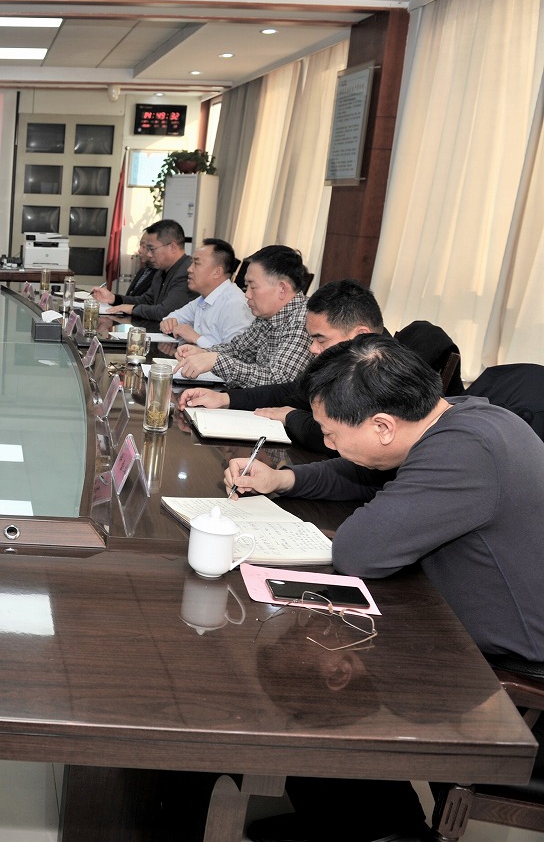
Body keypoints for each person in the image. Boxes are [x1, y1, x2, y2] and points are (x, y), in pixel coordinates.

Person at [225, 335, 544, 842]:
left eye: (332, 433)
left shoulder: (464, 453)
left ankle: (382, 831)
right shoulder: (457, 417)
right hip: (455, 619)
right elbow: (362, 472)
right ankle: (351, 820)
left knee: (316, 675)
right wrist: (284, 481)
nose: (329, 444)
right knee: (319, 648)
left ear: (382, 427)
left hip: (512, 666)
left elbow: (360, 552)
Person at [179, 279, 384, 453]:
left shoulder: (384, 375)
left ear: (361, 335)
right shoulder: (342, 359)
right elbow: (293, 391)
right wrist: (225, 399)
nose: (313, 348)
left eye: (321, 339)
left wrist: (290, 416)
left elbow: (337, 435)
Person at [175, 244, 312, 385]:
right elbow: (239, 350)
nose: (247, 295)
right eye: (247, 287)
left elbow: (278, 381)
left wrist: (216, 361)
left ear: (282, 289)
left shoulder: (304, 321)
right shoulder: (266, 317)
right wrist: (203, 353)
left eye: (253, 287)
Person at [158, 238, 251, 347]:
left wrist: (196, 338)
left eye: (196, 263)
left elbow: (236, 353)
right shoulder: (204, 298)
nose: (189, 269)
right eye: (191, 263)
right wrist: (168, 323)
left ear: (217, 272)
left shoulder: (236, 304)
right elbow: (174, 317)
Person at [108, 220, 195, 323]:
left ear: (172, 248)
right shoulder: (161, 271)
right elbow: (147, 300)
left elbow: (165, 312)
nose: (149, 255)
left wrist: (133, 309)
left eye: (152, 249)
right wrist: (114, 299)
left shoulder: (188, 273)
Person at [93, 241, 157, 306]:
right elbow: (140, 299)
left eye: (144, 247)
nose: (139, 250)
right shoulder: (144, 270)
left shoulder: (159, 275)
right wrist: (113, 298)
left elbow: (149, 304)